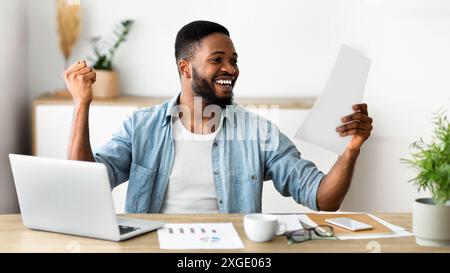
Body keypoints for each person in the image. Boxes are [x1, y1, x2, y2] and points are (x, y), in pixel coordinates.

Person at [62, 20, 373, 214]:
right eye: (217, 60)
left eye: (234, 60)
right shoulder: (141, 127)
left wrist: (352, 149)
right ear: (185, 68)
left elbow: (323, 199)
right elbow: (83, 185)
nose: (231, 69)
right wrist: (81, 104)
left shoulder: (257, 132)